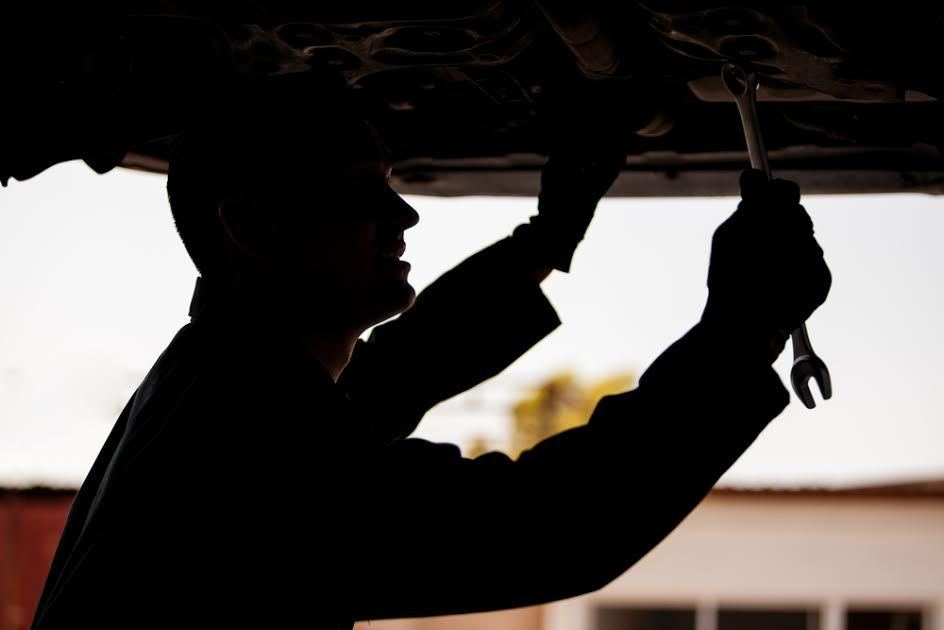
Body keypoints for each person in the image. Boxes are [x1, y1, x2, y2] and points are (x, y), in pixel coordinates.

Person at [31, 76, 830, 629]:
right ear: (253, 226)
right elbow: (553, 528)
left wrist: (546, 241)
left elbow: (393, 375)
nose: (404, 215)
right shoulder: (248, 445)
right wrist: (744, 326)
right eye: (361, 190)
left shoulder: (221, 385)